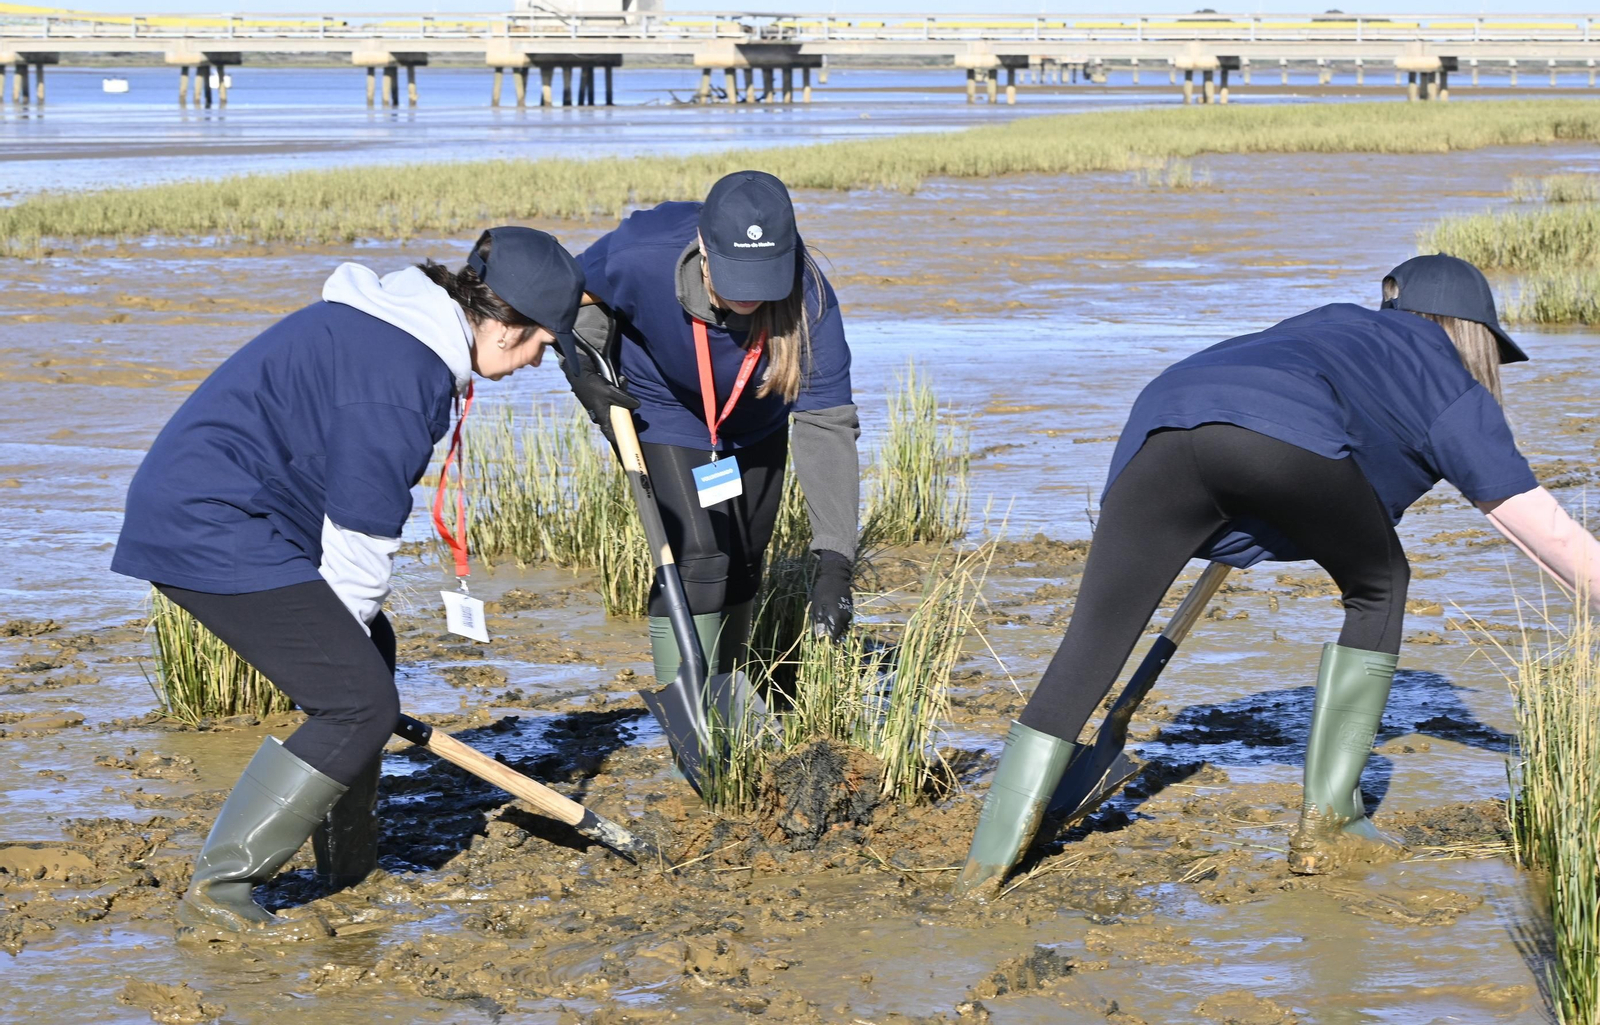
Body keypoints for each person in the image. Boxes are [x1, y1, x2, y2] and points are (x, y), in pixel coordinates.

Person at [959, 254, 1600, 889]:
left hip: (1160, 422)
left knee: (1093, 636)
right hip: (1277, 438)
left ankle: (986, 860)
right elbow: (1540, 529)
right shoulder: (1445, 376)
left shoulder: (1331, 327)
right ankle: (1331, 825)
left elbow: (1274, 428)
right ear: (1472, 331)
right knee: (1380, 584)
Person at [111, 228, 586, 934]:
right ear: (504, 320)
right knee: (358, 702)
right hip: (208, 522)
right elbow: (363, 529)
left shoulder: (401, 338)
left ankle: (347, 861)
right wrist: (353, 663)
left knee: (370, 659)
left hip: (233, 514)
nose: (540, 359)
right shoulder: (402, 373)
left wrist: (358, 643)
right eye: (543, 341)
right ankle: (221, 892)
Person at [566, 170, 859, 690]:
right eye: (735, 279)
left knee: (744, 560)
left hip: (755, 420)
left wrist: (835, 561)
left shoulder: (811, 297)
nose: (748, 298)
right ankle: (691, 712)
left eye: (762, 283)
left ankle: (727, 696)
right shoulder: (640, 252)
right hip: (664, 408)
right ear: (704, 247)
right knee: (700, 556)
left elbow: (826, 425)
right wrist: (583, 373)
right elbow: (569, 296)